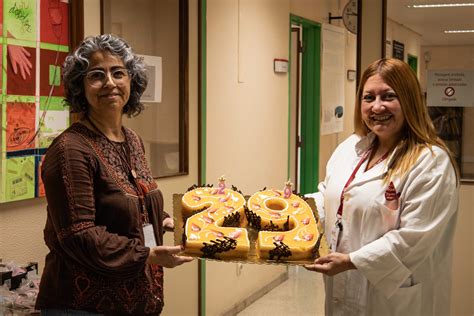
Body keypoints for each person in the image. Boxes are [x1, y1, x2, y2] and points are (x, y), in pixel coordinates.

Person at [36, 34, 193, 315]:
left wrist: (166, 221)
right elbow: (79, 235)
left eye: (118, 72)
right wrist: (149, 255)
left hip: (137, 301)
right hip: (82, 306)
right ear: (79, 87)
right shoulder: (70, 150)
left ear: (131, 81)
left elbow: (130, 204)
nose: (110, 82)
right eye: (96, 75)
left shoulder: (132, 140)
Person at [305, 58, 458, 315]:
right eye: (368, 98)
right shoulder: (351, 148)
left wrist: (351, 261)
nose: (377, 106)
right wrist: (291, 210)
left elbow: (415, 237)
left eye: (388, 96)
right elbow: (329, 197)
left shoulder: (431, 162)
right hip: (343, 285)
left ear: (409, 101)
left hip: (395, 297)